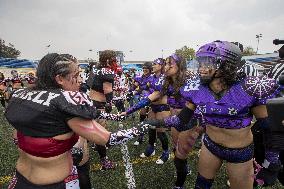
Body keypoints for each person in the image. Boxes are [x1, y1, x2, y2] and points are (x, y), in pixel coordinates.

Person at [144, 41, 280, 189]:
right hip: (210, 146)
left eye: (208, 62)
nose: (201, 68)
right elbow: (180, 120)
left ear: (226, 65)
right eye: (201, 62)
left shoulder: (248, 88)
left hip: (240, 152)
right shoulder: (197, 88)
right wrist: (151, 124)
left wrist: (272, 163)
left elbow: (270, 128)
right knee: (200, 186)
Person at [5, 53, 150, 189]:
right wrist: (147, 125)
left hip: (20, 178)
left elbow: (17, 136)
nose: (80, 80)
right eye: (77, 75)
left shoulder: (22, 94)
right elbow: (108, 139)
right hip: (53, 183)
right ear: (60, 79)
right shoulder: (66, 101)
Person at [122, 54, 198, 188]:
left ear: (180, 66)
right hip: (174, 121)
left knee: (180, 154)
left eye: (170, 64)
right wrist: (127, 111)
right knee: (176, 150)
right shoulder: (167, 81)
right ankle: (183, 168)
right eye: (166, 63)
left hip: (187, 122)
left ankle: (179, 185)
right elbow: (151, 97)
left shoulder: (190, 80)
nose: (166, 67)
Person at [87, 50, 118, 170]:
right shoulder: (107, 71)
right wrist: (110, 102)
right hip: (99, 104)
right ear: (108, 60)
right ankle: (104, 162)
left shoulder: (95, 68)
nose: (115, 61)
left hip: (89, 101)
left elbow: (88, 84)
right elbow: (107, 90)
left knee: (87, 129)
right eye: (113, 59)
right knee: (100, 133)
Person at [139, 58, 171, 164]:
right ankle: (151, 148)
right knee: (151, 128)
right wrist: (145, 93)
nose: (153, 66)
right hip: (153, 106)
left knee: (161, 132)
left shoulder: (166, 78)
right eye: (152, 64)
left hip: (163, 107)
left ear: (161, 66)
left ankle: (166, 152)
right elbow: (144, 88)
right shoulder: (151, 77)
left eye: (155, 64)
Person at [131, 62, 154, 145]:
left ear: (150, 69)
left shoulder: (153, 78)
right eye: (143, 68)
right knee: (142, 118)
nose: (144, 69)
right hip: (144, 100)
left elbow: (146, 88)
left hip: (153, 101)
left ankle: (152, 141)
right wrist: (132, 88)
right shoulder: (140, 77)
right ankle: (140, 138)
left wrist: (139, 89)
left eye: (146, 68)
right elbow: (135, 86)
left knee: (152, 122)